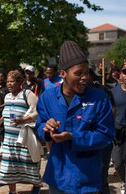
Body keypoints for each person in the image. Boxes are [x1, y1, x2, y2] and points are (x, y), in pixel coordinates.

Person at [36, 41, 115, 193]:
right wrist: (46, 128)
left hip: (86, 179)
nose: (84, 77)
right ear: (63, 74)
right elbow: (39, 125)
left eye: (86, 72)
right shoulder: (48, 98)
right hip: (57, 177)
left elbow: (106, 135)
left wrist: (73, 137)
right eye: (78, 73)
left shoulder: (99, 98)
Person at [0, 70, 41, 194]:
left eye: (12, 81)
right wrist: (0, 120)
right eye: (8, 81)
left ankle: (36, 185)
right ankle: (12, 191)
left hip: (24, 138)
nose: (9, 84)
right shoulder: (7, 96)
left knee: (29, 164)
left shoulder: (27, 93)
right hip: (9, 140)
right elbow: (7, 112)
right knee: (9, 167)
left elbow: (38, 111)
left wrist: (23, 120)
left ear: (20, 82)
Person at [88, 61, 116, 194]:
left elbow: (113, 109)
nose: (84, 77)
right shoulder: (77, 93)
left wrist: (107, 126)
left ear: (93, 77)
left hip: (103, 140)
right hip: (86, 141)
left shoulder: (103, 91)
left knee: (102, 174)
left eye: (87, 74)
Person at [111, 64, 126, 194]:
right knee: (118, 162)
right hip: (118, 133)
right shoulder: (113, 92)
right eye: (125, 72)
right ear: (121, 75)